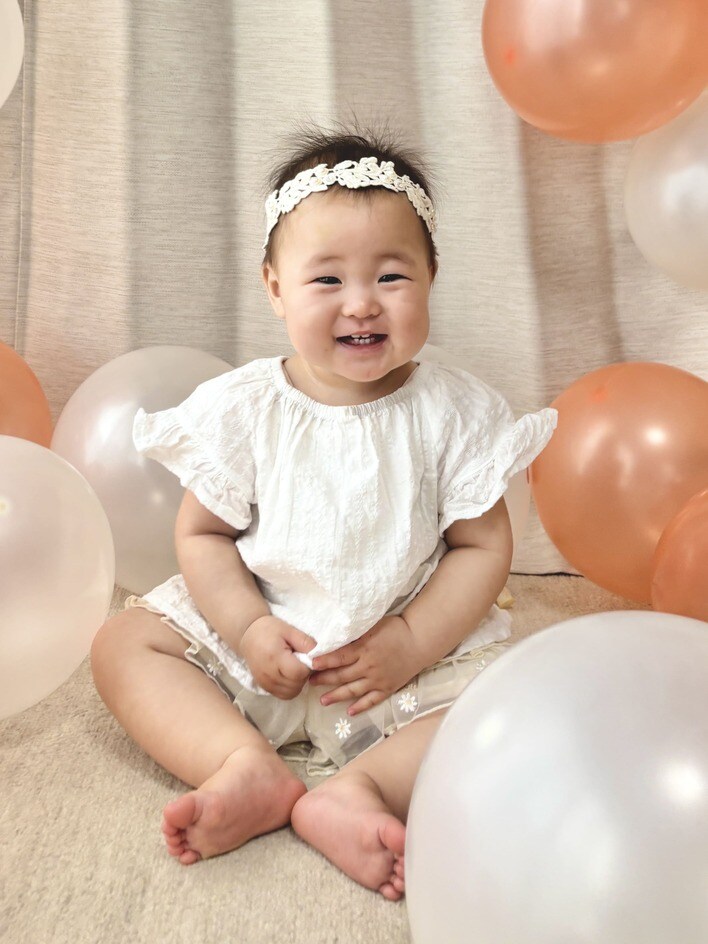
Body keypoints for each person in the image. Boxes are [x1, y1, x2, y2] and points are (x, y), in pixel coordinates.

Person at [90, 121, 557, 901]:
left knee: (524, 696)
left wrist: (411, 641)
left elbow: (482, 548)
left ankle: (359, 789)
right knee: (122, 644)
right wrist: (246, 627)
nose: (362, 303)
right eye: (328, 279)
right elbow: (203, 534)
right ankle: (241, 762)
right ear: (276, 287)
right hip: (265, 652)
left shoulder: (454, 411)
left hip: (398, 668)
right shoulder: (246, 407)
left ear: (432, 277)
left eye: (392, 276)